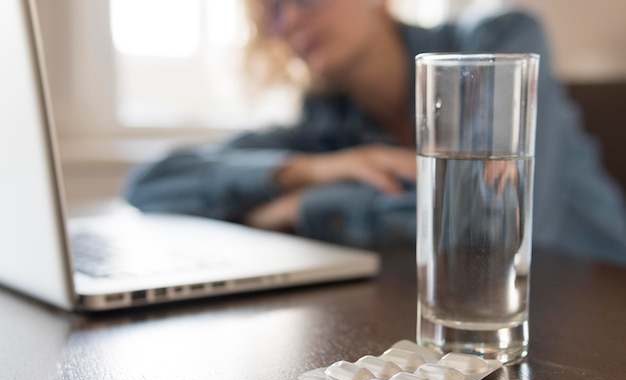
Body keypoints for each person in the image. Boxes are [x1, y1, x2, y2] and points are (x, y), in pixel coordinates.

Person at [124, 0, 626, 265]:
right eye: (274, 10)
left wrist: (301, 207)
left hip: (597, 303)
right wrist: (309, 170)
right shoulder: (324, 128)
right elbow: (152, 182)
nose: (290, 20)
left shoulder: (498, 44)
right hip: (457, 340)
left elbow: (496, 223)